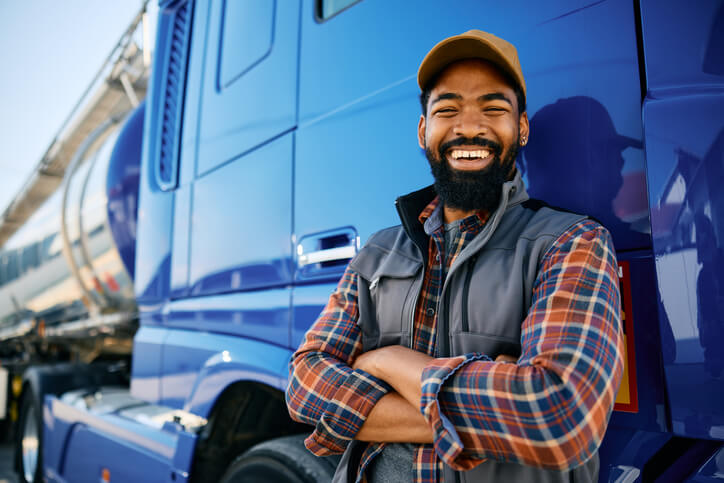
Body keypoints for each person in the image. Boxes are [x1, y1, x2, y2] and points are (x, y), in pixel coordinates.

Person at [286, 29, 624, 483]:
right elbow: (304, 385)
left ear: (520, 128)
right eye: (447, 110)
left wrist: (386, 362)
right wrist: (492, 406)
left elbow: (559, 420)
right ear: (424, 130)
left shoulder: (572, 243)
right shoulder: (377, 252)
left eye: (493, 108)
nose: (469, 126)